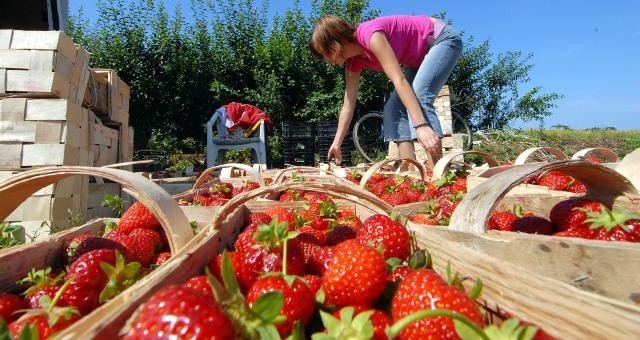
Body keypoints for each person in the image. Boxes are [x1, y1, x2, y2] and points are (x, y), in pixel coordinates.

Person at [310, 14, 462, 166]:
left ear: (336, 41)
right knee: (393, 109)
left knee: (419, 96)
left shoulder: (370, 36)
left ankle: (438, 176)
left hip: (441, 39)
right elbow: (348, 105)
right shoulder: (353, 63)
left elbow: (399, 79)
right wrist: (337, 143)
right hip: (419, 60)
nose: (327, 60)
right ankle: (409, 171)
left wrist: (421, 126)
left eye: (325, 53)